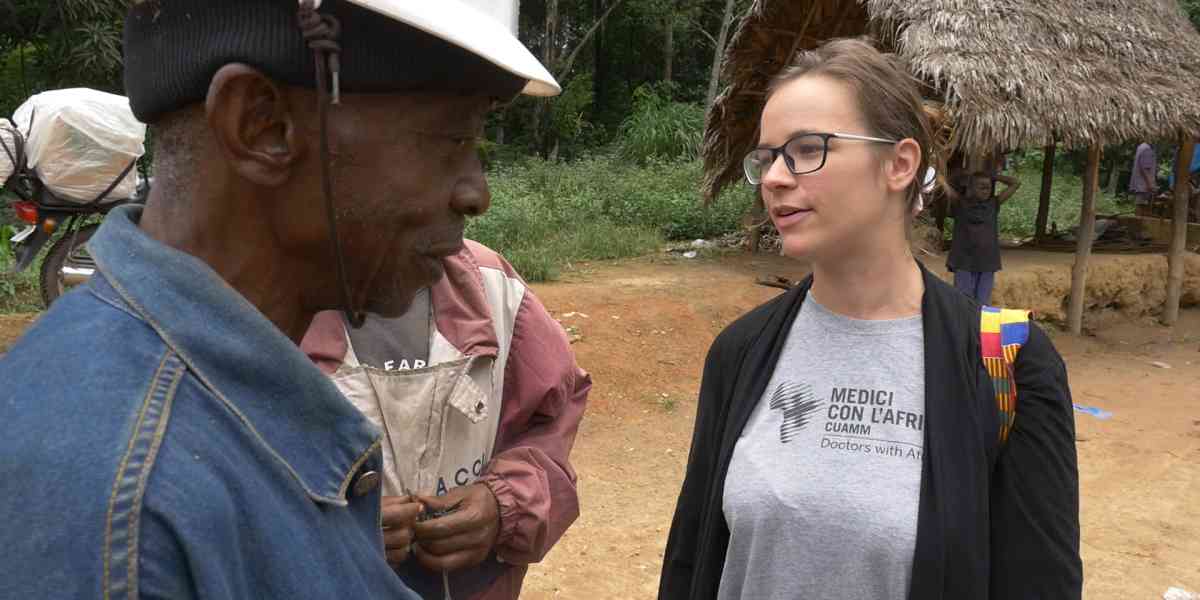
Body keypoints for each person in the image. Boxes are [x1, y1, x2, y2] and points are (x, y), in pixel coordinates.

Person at [0, 0, 560, 597]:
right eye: (450, 139)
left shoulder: (213, 406)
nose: (478, 193)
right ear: (261, 126)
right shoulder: (121, 510)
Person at [659, 38, 1080, 600]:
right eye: (766, 158)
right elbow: (693, 560)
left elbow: (1039, 584)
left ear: (900, 164)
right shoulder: (740, 351)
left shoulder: (1008, 362)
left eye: (808, 150)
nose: (775, 179)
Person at [300, 238, 590, 600]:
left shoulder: (492, 285)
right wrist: (323, 530)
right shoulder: (267, 299)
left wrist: (504, 503)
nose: (475, 198)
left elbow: (554, 415)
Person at [944, 169, 1021, 305]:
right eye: (981, 187)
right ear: (971, 188)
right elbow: (942, 183)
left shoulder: (993, 204)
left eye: (988, 188)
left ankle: (976, 326)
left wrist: (993, 176)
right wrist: (962, 175)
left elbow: (1016, 183)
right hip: (964, 262)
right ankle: (965, 326)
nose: (986, 191)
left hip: (987, 262)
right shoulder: (960, 203)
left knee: (982, 304)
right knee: (963, 302)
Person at [1131, 141, 1158, 216]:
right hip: (1144, 185)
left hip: (1140, 184)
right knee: (1142, 206)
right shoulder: (1147, 149)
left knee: (1140, 205)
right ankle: (1139, 224)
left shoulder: (1141, 147)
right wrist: (1150, 184)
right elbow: (1145, 168)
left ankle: (1138, 222)